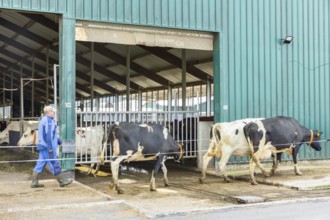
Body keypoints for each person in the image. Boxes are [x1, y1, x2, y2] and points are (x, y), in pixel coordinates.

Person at [31, 105, 73, 188]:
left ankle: (34, 182)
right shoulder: (49, 121)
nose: (54, 112)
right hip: (48, 147)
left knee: (40, 164)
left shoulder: (44, 120)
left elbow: (51, 135)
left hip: (43, 146)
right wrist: (50, 148)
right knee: (54, 163)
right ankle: (62, 181)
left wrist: (59, 141)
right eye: (52, 111)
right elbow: (48, 136)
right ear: (48, 112)